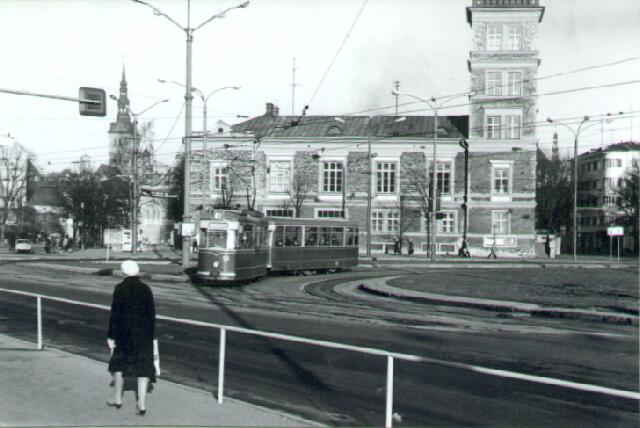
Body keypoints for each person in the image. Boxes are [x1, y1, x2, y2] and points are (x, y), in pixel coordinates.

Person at [107, 260, 156, 416]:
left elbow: (115, 314)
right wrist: (150, 335)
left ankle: (118, 399)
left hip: (124, 335)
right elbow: (151, 315)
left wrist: (111, 335)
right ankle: (141, 404)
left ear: (123, 273)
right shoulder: (146, 289)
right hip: (143, 335)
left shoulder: (120, 288)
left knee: (118, 366)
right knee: (143, 368)